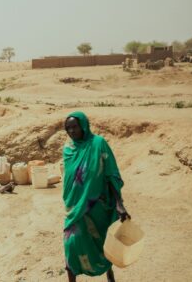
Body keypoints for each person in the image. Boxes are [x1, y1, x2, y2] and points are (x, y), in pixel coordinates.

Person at [62, 112, 131, 282]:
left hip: (98, 205)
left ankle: (109, 274)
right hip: (74, 208)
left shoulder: (98, 143)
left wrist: (119, 204)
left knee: (102, 243)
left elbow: (110, 174)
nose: (71, 131)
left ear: (83, 125)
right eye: (68, 128)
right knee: (71, 245)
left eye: (74, 126)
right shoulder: (68, 149)